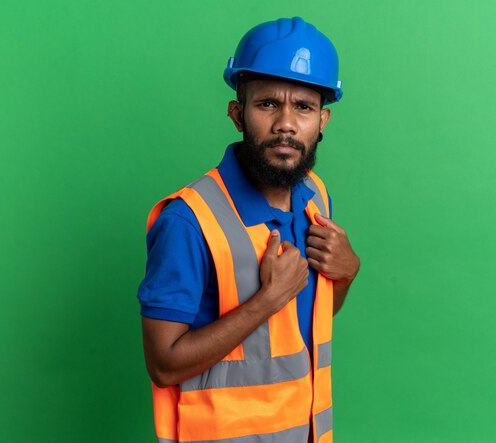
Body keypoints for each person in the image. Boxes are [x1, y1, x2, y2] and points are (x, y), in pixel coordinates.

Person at [138, 17, 360, 443]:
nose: (286, 124)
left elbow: (307, 320)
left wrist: (345, 275)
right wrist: (268, 299)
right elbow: (163, 364)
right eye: (268, 104)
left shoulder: (315, 196)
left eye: (304, 107)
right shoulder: (189, 220)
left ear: (323, 122)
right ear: (237, 114)